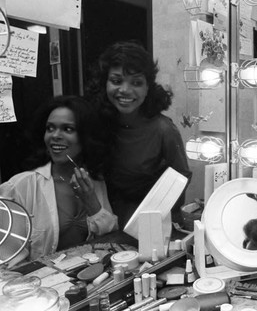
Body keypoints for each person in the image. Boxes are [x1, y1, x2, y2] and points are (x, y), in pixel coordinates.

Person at [86, 41, 192, 229]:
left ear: (148, 88)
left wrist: (155, 221)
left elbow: (180, 179)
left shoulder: (163, 129)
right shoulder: (97, 121)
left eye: (136, 83)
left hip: (152, 221)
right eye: (117, 81)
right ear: (104, 83)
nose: (125, 90)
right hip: (104, 218)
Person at [0, 96, 118, 263]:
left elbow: (112, 242)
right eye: (50, 128)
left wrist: (93, 204)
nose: (55, 135)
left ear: (85, 137)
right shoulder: (20, 187)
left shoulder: (95, 181)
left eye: (68, 129)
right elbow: (8, 261)